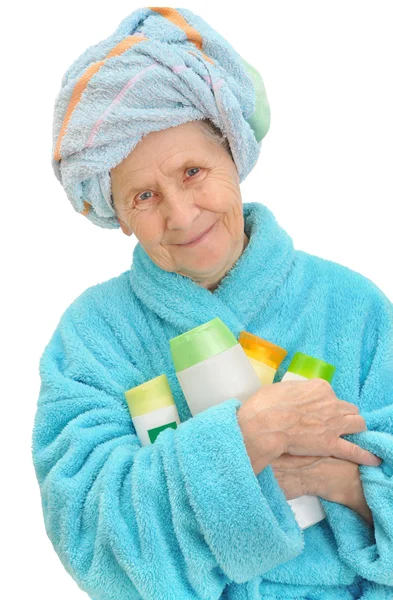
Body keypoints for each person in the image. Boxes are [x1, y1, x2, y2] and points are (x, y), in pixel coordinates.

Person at [32, 7, 393, 600]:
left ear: (235, 154)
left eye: (194, 171)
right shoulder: (92, 338)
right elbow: (91, 539)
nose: (180, 214)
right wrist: (249, 440)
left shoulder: (352, 306)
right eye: (144, 195)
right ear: (117, 215)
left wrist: (326, 475)